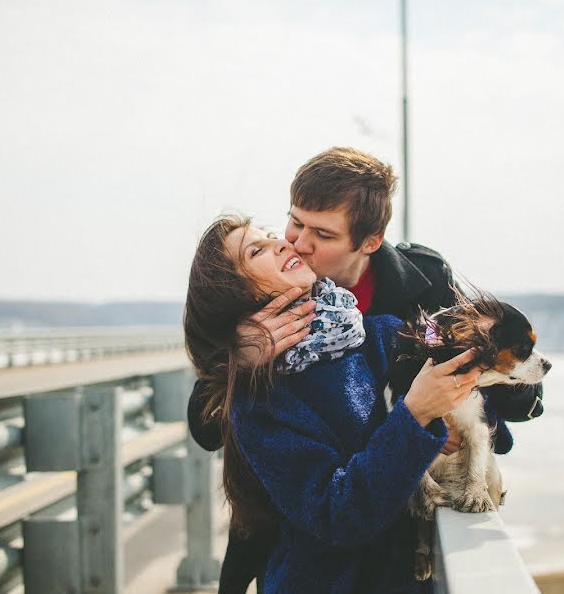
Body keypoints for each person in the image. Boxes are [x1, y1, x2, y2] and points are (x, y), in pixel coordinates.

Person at [187, 147, 545, 592]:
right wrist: (239, 363)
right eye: (293, 222)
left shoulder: (404, 308)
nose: (297, 242)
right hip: (312, 557)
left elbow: (509, 393)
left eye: (322, 233)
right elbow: (213, 426)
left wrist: (453, 405)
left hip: (390, 554)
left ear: (370, 242)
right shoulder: (258, 368)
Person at [184, 215, 482, 592]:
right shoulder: (258, 399)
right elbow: (338, 516)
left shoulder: (379, 333)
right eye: (256, 250)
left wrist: (468, 419)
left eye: (273, 237)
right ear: (237, 292)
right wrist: (416, 415)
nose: (283, 244)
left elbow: (474, 369)